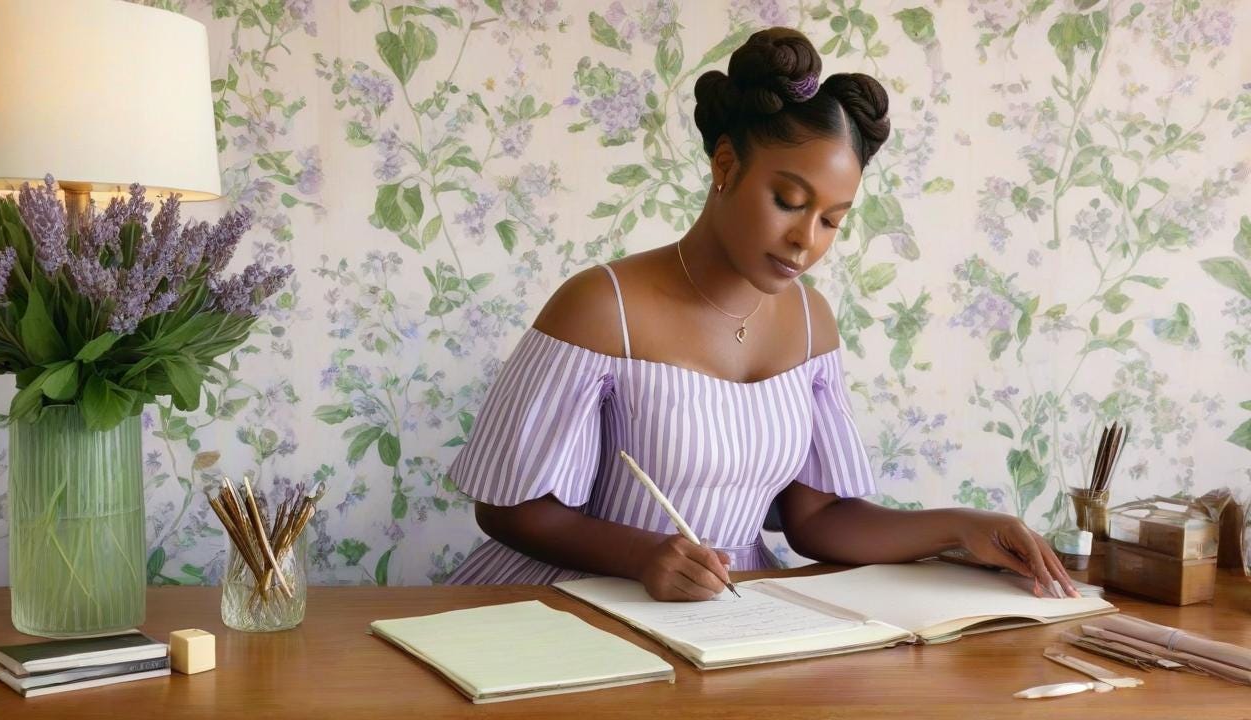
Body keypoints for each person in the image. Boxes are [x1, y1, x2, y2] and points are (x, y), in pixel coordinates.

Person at [444, 27, 1078, 602]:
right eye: (788, 201)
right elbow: (507, 509)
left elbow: (818, 520)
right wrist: (643, 557)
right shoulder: (601, 307)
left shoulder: (811, 321)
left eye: (832, 219)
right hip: (574, 605)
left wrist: (963, 528)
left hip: (731, 613)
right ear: (725, 166)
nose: (807, 239)